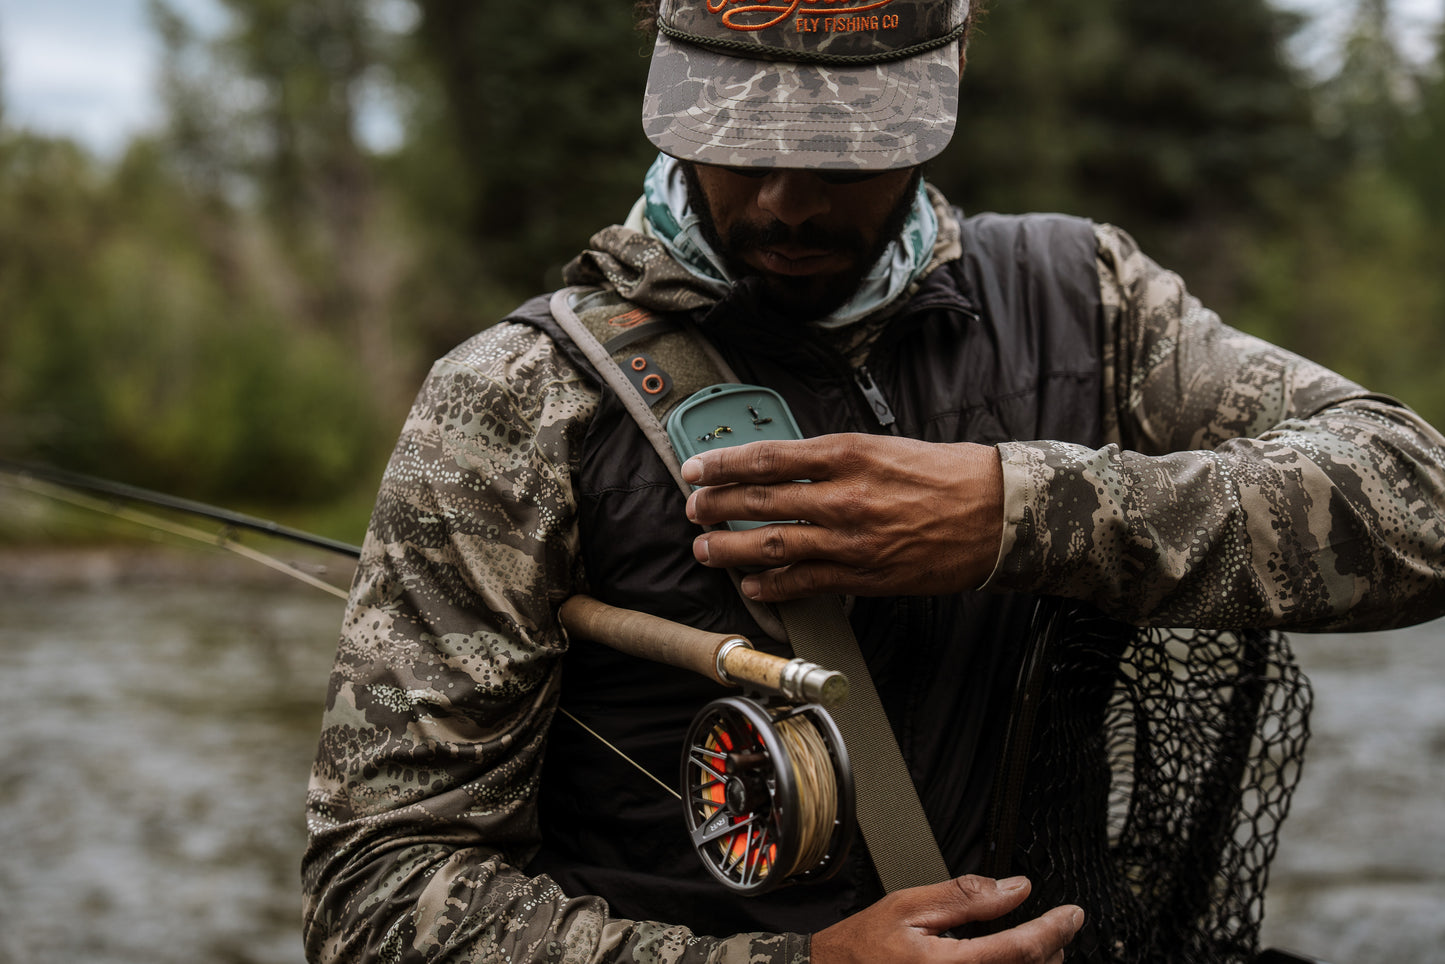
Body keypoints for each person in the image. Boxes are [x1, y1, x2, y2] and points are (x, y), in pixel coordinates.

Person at [301, 1, 1445, 962]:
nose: (787, 201)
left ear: (953, 64)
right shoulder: (512, 403)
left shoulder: (1086, 302)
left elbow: (1418, 501)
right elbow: (376, 896)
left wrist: (1018, 513)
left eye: (847, 145)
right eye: (739, 135)